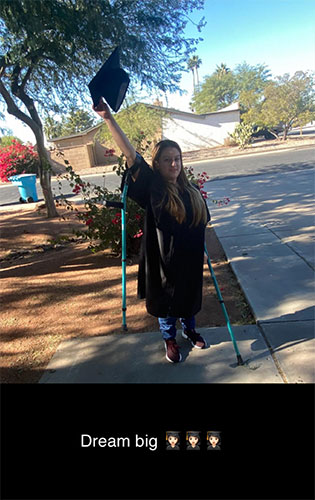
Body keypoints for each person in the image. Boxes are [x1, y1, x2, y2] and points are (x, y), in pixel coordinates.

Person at [93, 98, 211, 363]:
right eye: (167, 160)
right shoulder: (153, 188)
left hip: (189, 257)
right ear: (157, 164)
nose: (173, 164)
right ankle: (169, 337)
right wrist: (109, 119)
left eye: (177, 159)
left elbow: (200, 225)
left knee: (190, 296)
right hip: (163, 259)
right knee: (168, 300)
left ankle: (189, 330)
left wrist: (203, 252)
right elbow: (132, 156)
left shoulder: (191, 191)